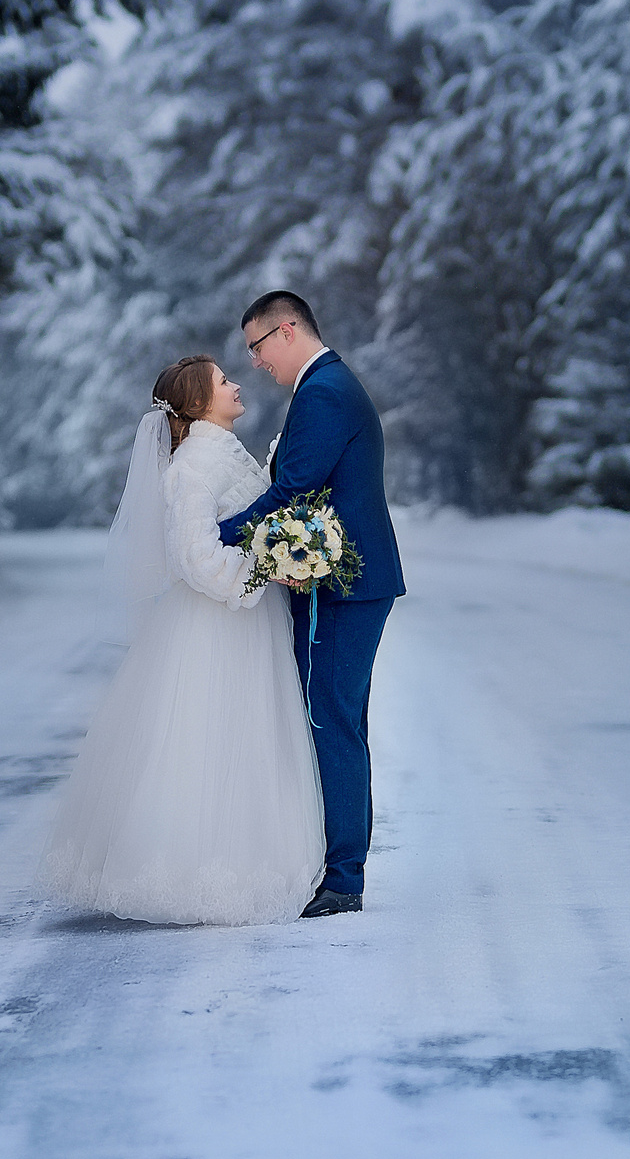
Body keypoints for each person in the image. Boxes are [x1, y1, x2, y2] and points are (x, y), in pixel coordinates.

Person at [39, 356, 326, 925]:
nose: (236, 384)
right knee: (206, 738)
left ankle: (258, 858)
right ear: (197, 403)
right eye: (224, 381)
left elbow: (253, 511)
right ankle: (186, 871)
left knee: (248, 736)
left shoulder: (223, 451)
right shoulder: (193, 467)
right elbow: (194, 557)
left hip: (248, 622)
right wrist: (259, 573)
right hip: (215, 625)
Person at [219, 291, 405, 917]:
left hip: (343, 588)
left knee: (332, 721)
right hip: (341, 582)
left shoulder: (324, 390)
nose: (256, 363)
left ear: (288, 330)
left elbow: (294, 489)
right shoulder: (325, 385)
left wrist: (214, 535)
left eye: (258, 346)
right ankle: (334, 865)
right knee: (336, 718)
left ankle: (343, 879)